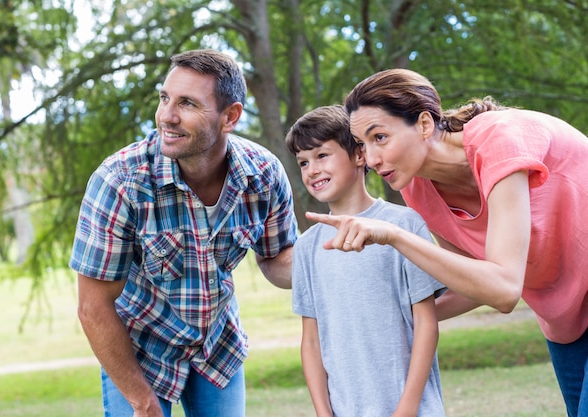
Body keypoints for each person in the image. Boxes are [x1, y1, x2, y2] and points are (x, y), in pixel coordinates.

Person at [306, 68, 588, 417]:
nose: (373, 159)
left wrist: (395, 236)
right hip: (566, 316)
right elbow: (471, 283)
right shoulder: (418, 187)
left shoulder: (498, 138)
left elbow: (502, 289)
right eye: (363, 145)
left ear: (424, 124)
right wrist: (375, 318)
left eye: (380, 137)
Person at [69, 49, 298, 417]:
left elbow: (276, 258)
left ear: (230, 116)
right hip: (139, 351)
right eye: (165, 98)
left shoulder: (263, 174)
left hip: (216, 349)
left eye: (187, 103)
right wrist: (142, 403)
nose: (167, 116)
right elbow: (92, 307)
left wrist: (324, 257)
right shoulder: (120, 181)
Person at [285, 105, 446, 417]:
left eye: (322, 155)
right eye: (303, 162)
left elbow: (426, 323)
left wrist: (407, 409)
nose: (312, 170)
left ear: (360, 155)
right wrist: (323, 412)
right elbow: (312, 342)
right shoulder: (307, 247)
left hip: (413, 409)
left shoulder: (405, 226)